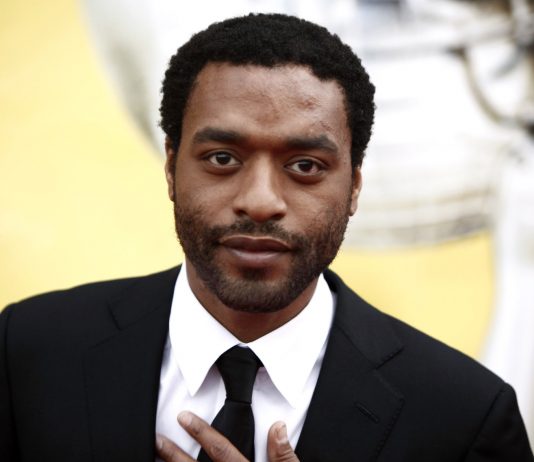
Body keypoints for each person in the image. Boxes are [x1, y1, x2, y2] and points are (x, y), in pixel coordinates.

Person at [0, 13, 532, 462]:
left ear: (354, 187)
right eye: (223, 158)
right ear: (170, 167)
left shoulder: (465, 417)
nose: (259, 200)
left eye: (305, 165)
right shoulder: (29, 352)